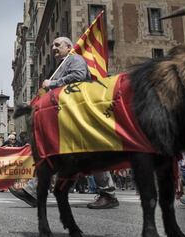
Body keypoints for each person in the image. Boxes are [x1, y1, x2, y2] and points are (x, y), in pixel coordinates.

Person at [9, 36, 119, 209]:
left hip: (79, 115)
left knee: (90, 152)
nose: (53, 47)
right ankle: (34, 191)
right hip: (66, 116)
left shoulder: (74, 59)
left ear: (69, 47)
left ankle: (108, 194)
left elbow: (79, 77)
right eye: (52, 44)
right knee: (57, 152)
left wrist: (53, 83)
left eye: (57, 44)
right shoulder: (60, 66)